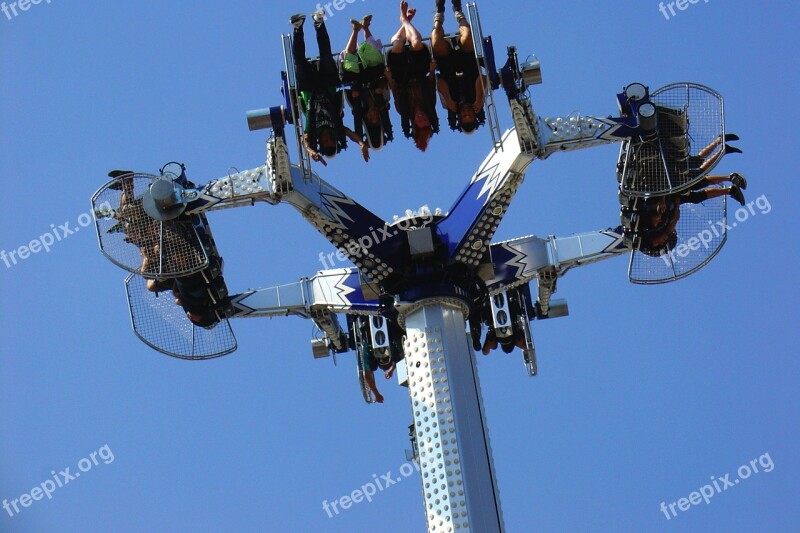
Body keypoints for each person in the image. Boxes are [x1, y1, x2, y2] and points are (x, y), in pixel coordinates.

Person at [290, 12, 370, 166]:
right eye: (331, 140)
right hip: (328, 84)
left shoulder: (312, 134)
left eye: (325, 141)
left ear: (320, 141)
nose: (327, 137)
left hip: (309, 88)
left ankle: (298, 28)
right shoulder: (337, 129)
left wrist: (311, 151)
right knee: (326, 56)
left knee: (299, 62)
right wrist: (361, 143)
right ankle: (319, 23)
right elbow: (350, 134)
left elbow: (304, 140)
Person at [385, 2, 439, 151]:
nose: (421, 117)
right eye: (425, 119)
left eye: (419, 120)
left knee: (396, 44)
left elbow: (395, 91)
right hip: (419, 70)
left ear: (414, 123)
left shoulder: (403, 110)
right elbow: (430, 85)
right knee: (416, 41)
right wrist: (432, 70)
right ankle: (405, 20)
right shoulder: (430, 104)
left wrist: (389, 77)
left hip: (402, 75)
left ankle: (405, 21)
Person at [431, 0, 486, 134]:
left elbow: (440, 82)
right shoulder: (478, 101)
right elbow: (482, 78)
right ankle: (458, 12)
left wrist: (449, 99)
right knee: (467, 36)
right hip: (467, 59)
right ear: (475, 115)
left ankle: (439, 13)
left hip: (447, 63)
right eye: (470, 115)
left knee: (436, 40)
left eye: (464, 116)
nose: (466, 112)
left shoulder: (449, 106)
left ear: (459, 117)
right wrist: (479, 98)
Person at [340, 15, 394, 150]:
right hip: (372, 72)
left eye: (371, 119)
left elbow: (350, 90)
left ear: (367, 120)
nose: (373, 115)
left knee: (349, 64)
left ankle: (355, 30)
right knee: (374, 57)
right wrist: (380, 87)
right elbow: (385, 83)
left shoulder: (359, 107)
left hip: (358, 76)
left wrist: (355, 93)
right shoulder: (384, 101)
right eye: (377, 118)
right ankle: (365, 28)